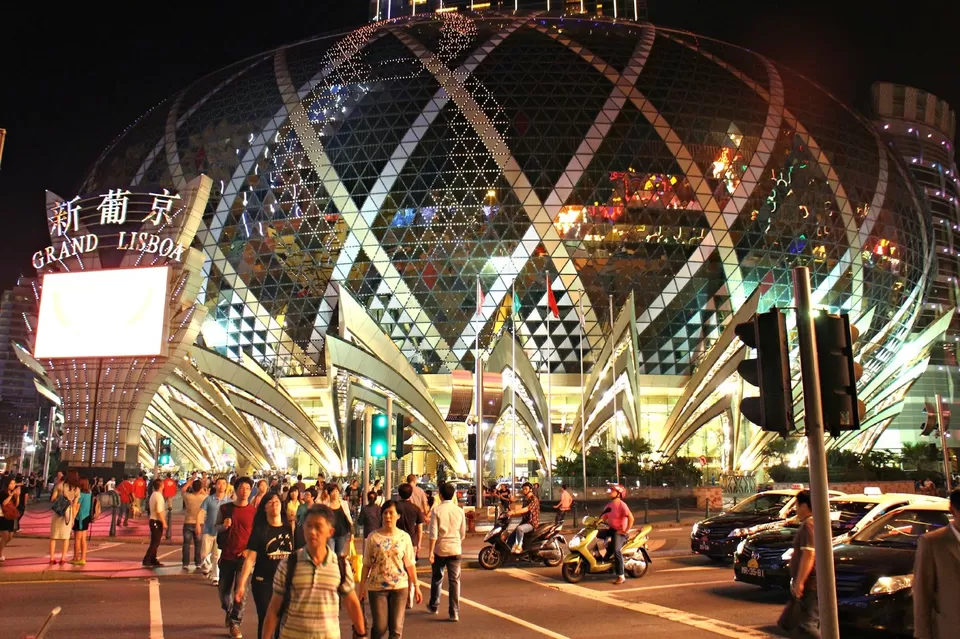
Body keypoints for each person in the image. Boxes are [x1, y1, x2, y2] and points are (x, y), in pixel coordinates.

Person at [261, 504, 366, 639]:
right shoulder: (289, 564)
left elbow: (352, 603)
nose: (312, 531)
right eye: (308, 526)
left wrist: (362, 634)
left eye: (318, 526)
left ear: (330, 532)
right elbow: (274, 607)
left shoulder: (340, 566)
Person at [234, 492, 293, 639]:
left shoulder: (290, 528)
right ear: (264, 508)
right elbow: (250, 559)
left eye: (277, 502)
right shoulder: (259, 531)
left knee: (283, 620)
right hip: (263, 582)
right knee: (266, 617)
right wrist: (241, 585)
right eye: (270, 503)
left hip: (286, 583)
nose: (274, 505)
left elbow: (298, 554)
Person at [360, 500, 423, 639]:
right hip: (377, 588)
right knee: (380, 627)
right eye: (385, 513)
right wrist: (361, 587)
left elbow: (410, 564)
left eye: (391, 513)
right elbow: (366, 564)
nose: (387, 516)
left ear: (398, 515)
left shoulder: (404, 538)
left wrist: (416, 586)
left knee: (396, 630)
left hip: (399, 587)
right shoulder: (373, 537)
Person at [913, 487, 960, 639]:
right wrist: (923, 634)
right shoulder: (933, 543)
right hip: (952, 630)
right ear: (953, 510)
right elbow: (922, 594)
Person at [217, 476, 256, 638]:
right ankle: (229, 610)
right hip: (227, 555)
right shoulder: (226, 508)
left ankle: (235, 623)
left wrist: (250, 550)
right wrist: (223, 526)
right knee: (223, 592)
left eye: (247, 488)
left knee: (241, 591)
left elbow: (257, 534)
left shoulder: (254, 512)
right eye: (242, 488)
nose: (245, 491)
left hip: (244, 558)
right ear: (235, 489)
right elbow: (215, 527)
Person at [782, 489, 818, 637]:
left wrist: (800, 582)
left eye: (797, 505)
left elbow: (809, 554)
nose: (795, 509)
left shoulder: (808, 525)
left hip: (810, 582)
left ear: (804, 506)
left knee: (807, 625)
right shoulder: (813, 523)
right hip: (812, 581)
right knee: (806, 623)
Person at [427, 482, 466, 621]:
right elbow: (463, 534)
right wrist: (455, 542)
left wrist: (430, 552)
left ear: (440, 495)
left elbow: (433, 534)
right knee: (454, 581)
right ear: (454, 494)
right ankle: (454, 612)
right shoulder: (460, 511)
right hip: (455, 548)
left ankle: (434, 604)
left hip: (440, 549)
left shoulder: (436, 510)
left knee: (437, 577)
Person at [598, 484, 633, 586]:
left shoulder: (622, 505)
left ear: (619, 493)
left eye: (613, 491)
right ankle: (602, 560)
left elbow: (631, 518)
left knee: (617, 550)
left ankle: (621, 576)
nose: (610, 492)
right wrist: (594, 522)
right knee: (595, 535)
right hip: (612, 529)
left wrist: (625, 530)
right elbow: (603, 518)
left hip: (620, 532)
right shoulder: (609, 505)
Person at [199, 477, 231, 585]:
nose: (221, 486)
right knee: (204, 555)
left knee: (217, 556)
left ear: (226, 486)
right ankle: (206, 568)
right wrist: (198, 525)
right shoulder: (208, 499)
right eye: (219, 484)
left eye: (223, 484)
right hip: (208, 531)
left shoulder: (229, 502)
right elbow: (201, 512)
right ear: (215, 485)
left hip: (221, 532)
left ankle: (215, 577)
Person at [49, 471, 80, 564]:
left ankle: (51, 558)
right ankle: (63, 559)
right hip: (68, 512)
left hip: (58, 511)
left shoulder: (60, 485)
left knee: (53, 537)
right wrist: (73, 518)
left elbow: (52, 499)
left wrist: (60, 497)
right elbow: (75, 505)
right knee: (66, 537)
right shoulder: (76, 489)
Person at [71, 477, 99, 565]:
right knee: (83, 539)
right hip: (87, 517)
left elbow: (77, 507)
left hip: (80, 518)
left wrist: (72, 519)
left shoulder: (81, 494)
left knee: (77, 539)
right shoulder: (90, 494)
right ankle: (83, 558)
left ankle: (76, 557)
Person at [507, 482, 540, 554]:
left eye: (526, 489)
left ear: (530, 489)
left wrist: (514, 512)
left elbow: (527, 509)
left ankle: (519, 546)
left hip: (531, 523)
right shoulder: (525, 499)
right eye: (523, 489)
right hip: (525, 522)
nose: (524, 490)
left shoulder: (534, 499)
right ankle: (507, 552)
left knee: (520, 529)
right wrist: (510, 512)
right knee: (512, 535)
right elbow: (521, 511)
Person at [181, 479, 206, 570]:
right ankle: (198, 562)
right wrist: (202, 489)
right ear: (200, 489)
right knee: (198, 544)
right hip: (200, 523)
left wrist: (189, 483)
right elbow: (206, 495)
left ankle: (185, 563)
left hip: (188, 522)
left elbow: (183, 490)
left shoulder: (188, 496)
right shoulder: (203, 498)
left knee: (186, 544)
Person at [143, 478, 166, 567]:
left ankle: (153, 558)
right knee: (155, 542)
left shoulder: (153, 494)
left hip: (153, 520)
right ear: (160, 486)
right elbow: (159, 511)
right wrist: (164, 522)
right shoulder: (159, 496)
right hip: (156, 521)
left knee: (155, 541)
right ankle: (147, 559)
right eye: (162, 484)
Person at [326, 482, 354, 557]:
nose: (335, 493)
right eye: (332, 491)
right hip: (329, 535)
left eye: (336, 491)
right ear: (329, 494)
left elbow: (349, 518)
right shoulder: (326, 505)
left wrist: (352, 533)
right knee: (331, 555)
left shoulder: (344, 504)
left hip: (342, 533)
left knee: (339, 555)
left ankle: (339, 568)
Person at [0, 476, 20, 561]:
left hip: (10, 516)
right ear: (7, 484)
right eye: (11, 483)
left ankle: (0, 548)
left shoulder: (13, 493)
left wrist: (17, 496)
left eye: (14, 483)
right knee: (5, 535)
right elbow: (4, 503)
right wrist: (11, 495)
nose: (13, 485)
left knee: (10, 536)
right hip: (3, 516)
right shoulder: (2, 493)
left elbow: (16, 505)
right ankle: (0, 553)